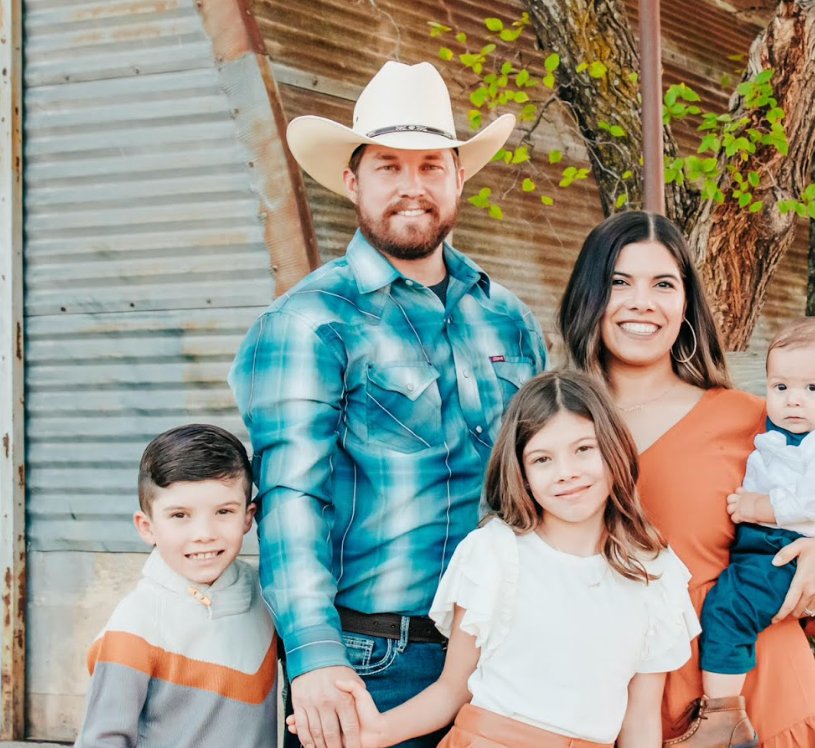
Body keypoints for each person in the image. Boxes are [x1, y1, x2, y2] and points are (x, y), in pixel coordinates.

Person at [229, 60, 547, 748]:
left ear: (460, 177)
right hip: (375, 660)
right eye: (388, 167)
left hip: (507, 656)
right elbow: (291, 498)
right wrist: (313, 654)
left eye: (432, 165)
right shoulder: (309, 321)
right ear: (352, 181)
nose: (413, 187)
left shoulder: (510, 320)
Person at [557, 210, 815, 748]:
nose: (642, 301)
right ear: (589, 293)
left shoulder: (757, 421)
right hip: (607, 713)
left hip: (758, 704)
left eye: (663, 284)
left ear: (686, 305)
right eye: (619, 282)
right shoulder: (552, 426)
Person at [290, 370, 701, 747]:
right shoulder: (495, 553)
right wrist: (376, 733)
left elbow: (641, 719)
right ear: (521, 473)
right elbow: (453, 689)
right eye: (543, 458)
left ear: (614, 450)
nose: (566, 472)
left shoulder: (654, 571)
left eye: (583, 449)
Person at [698, 316, 815, 745]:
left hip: (785, 546)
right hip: (765, 544)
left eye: (811, 389)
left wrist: (759, 506)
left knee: (729, 609)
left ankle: (721, 720)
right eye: (781, 388)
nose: (793, 401)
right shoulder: (786, 429)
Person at [75, 424, 276, 748]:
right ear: (147, 526)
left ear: (248, 517)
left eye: (223, 511)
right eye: (180, 515)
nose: (203, 533)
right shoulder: (135, 624)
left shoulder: (267, 595)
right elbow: (102, 739)